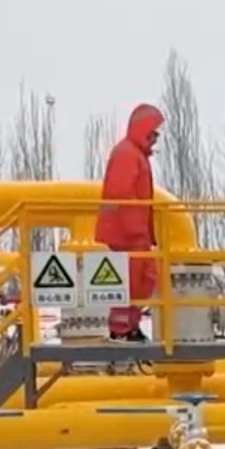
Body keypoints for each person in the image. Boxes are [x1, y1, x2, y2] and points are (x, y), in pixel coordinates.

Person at [96, 103, 164, 341]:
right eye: (153, 133)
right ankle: (121, 330)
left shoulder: (134, 155)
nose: (155, 139)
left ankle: (129, 326)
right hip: (126, 236)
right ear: (144, 130)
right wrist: (137, 232)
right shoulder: (127, 154)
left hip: (132, 234)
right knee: (131, 283)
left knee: (143, 279)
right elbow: (121, 195)